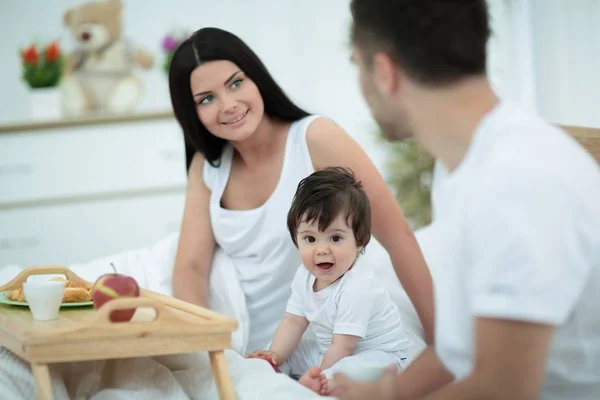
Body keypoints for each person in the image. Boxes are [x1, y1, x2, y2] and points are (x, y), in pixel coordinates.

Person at [331, 0, 600, 399]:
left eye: (358, 64)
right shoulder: (464, 164)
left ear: (385, 72)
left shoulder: (515, 178)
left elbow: (503, 388)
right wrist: (390, 393)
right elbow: (461, 347)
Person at [168, 26, 435, 355]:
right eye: (206, 99)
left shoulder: (315, 139)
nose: (228, 105)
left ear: (256, 78)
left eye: (236, 83)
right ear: (190, 113)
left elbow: (399, 239)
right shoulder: (206, 168)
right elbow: (190, 269)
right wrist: (211, 349)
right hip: (250, 348)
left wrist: (442, 345)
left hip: (331, 339)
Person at [245, 167, 411, 395]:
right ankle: (270, 372)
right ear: (296, 240)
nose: (321, 250)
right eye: (310, 238)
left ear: (360, 240)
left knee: (346, 368)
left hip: (380, 356)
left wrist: (322, 373)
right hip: (329, 350)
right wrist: (275, 355)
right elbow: (293, 321)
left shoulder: (358, 285)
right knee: (287, 352)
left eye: (335, 238)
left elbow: (344, 346)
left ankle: (322, 385)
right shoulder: (304, 277)